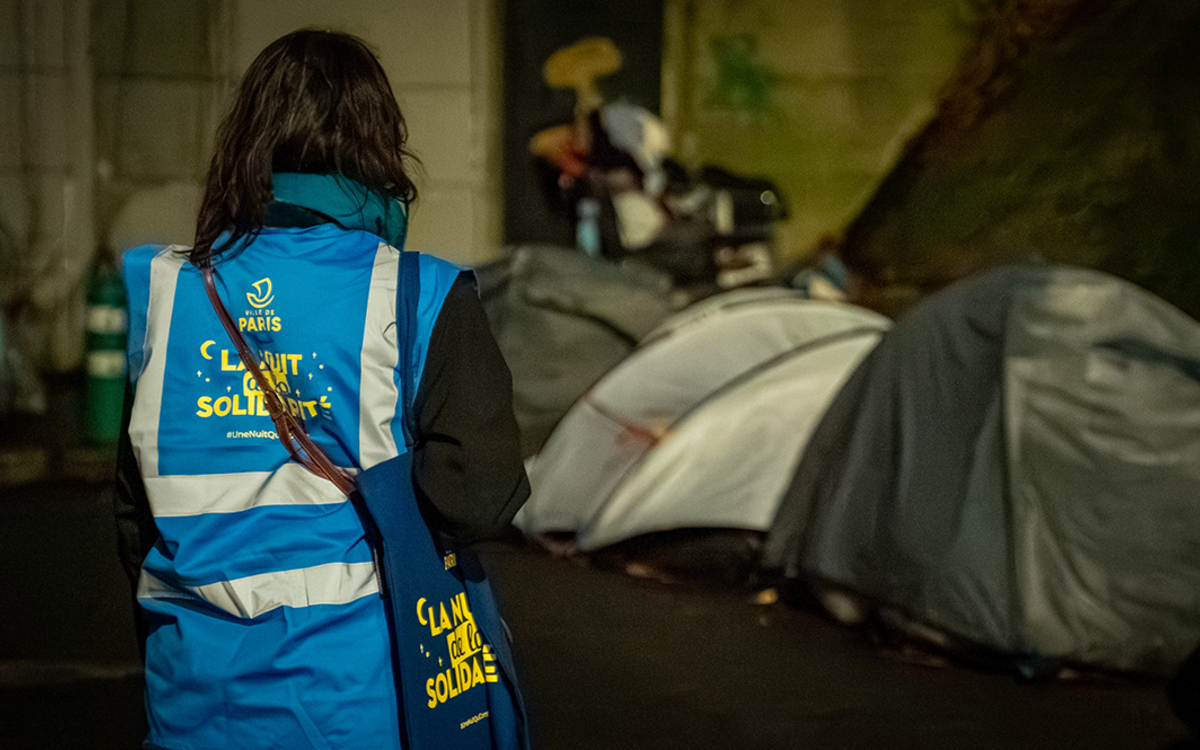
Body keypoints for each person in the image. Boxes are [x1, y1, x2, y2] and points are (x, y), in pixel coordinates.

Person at [114, 29, 530, 750]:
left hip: (192, 702)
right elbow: (479, 497)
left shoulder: (162, 291)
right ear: (379, 145)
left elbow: (133, 516)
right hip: (353, 703)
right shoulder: (417, 292)